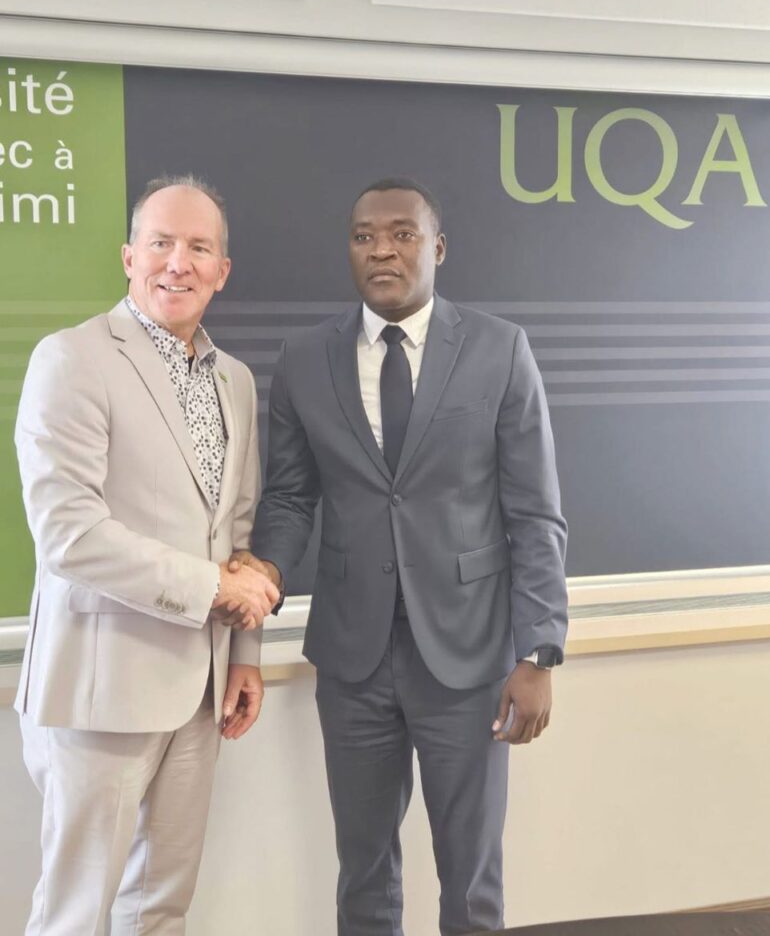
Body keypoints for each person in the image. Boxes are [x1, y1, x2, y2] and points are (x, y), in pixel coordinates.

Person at [233, 177, 568, 935]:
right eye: (364, 237)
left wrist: (539, 652)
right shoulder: (305, 358)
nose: (381, 249)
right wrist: (268, 570)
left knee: (470, 877)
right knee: (364, 873)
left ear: (437, 248)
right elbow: (289, 497)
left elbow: (534, 513)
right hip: (353, 661)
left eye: (402, 234)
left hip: (469, 659)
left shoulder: (499, 349)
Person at [14, 175, 279, 935]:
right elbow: (70, 534)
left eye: (199, 247)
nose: (178, 262)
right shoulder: (72, 359)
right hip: (102, 690)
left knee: (161, 906)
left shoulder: (235, 381)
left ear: (222, 271)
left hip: (202, 690)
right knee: (76, 913)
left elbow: (239, 527)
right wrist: (213, 590)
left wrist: (245, 653)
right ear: (130, 257)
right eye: (161, 243)